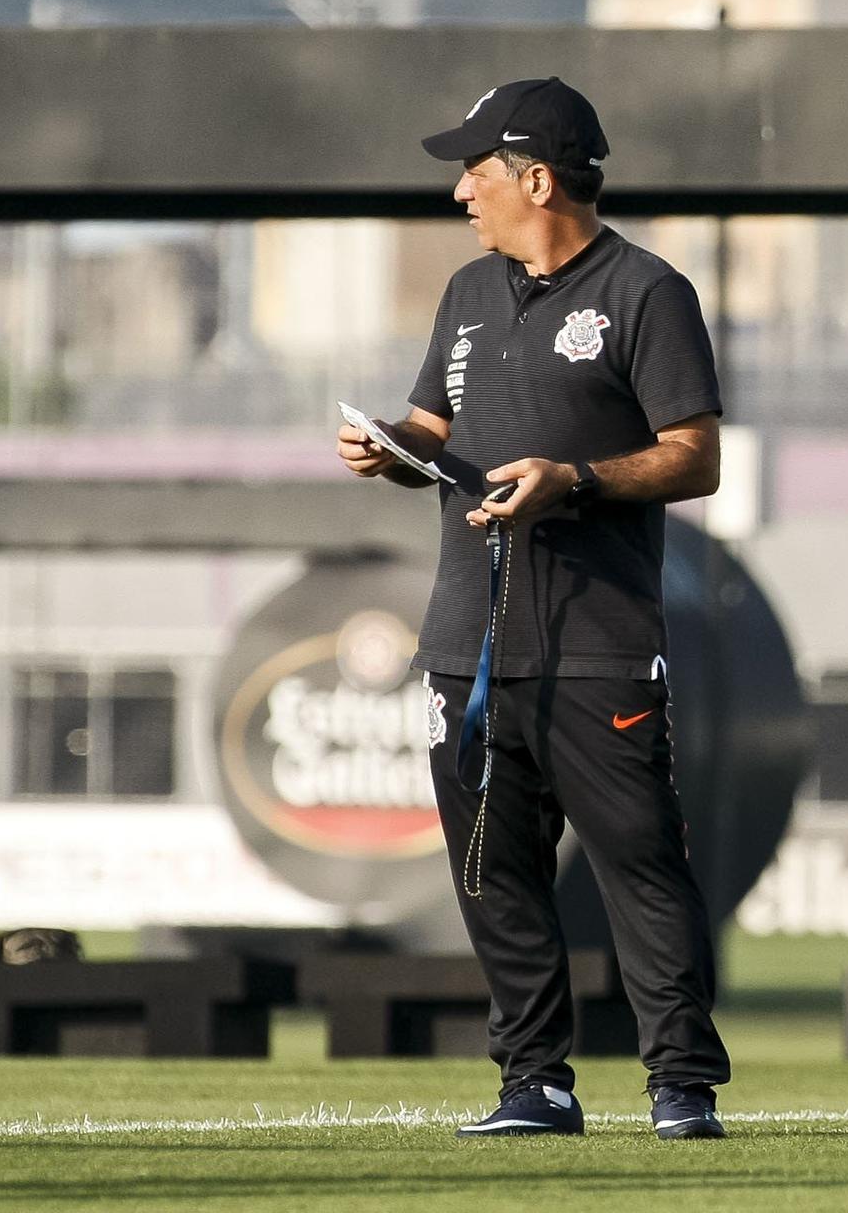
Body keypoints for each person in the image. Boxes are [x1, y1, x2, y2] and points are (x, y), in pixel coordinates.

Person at [336, 76, 730, 1141]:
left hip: (600, 644)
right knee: (492, 872)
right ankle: (534, 1082)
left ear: (537, 178)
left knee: (641, 867)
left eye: (476, 168)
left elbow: (698, 460)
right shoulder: (467, 291)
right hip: (469, 640)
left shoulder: (648, 292)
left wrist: (578, 478)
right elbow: (434, 425)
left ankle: (681, 1086)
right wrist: (393, 446)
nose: (462, 188)